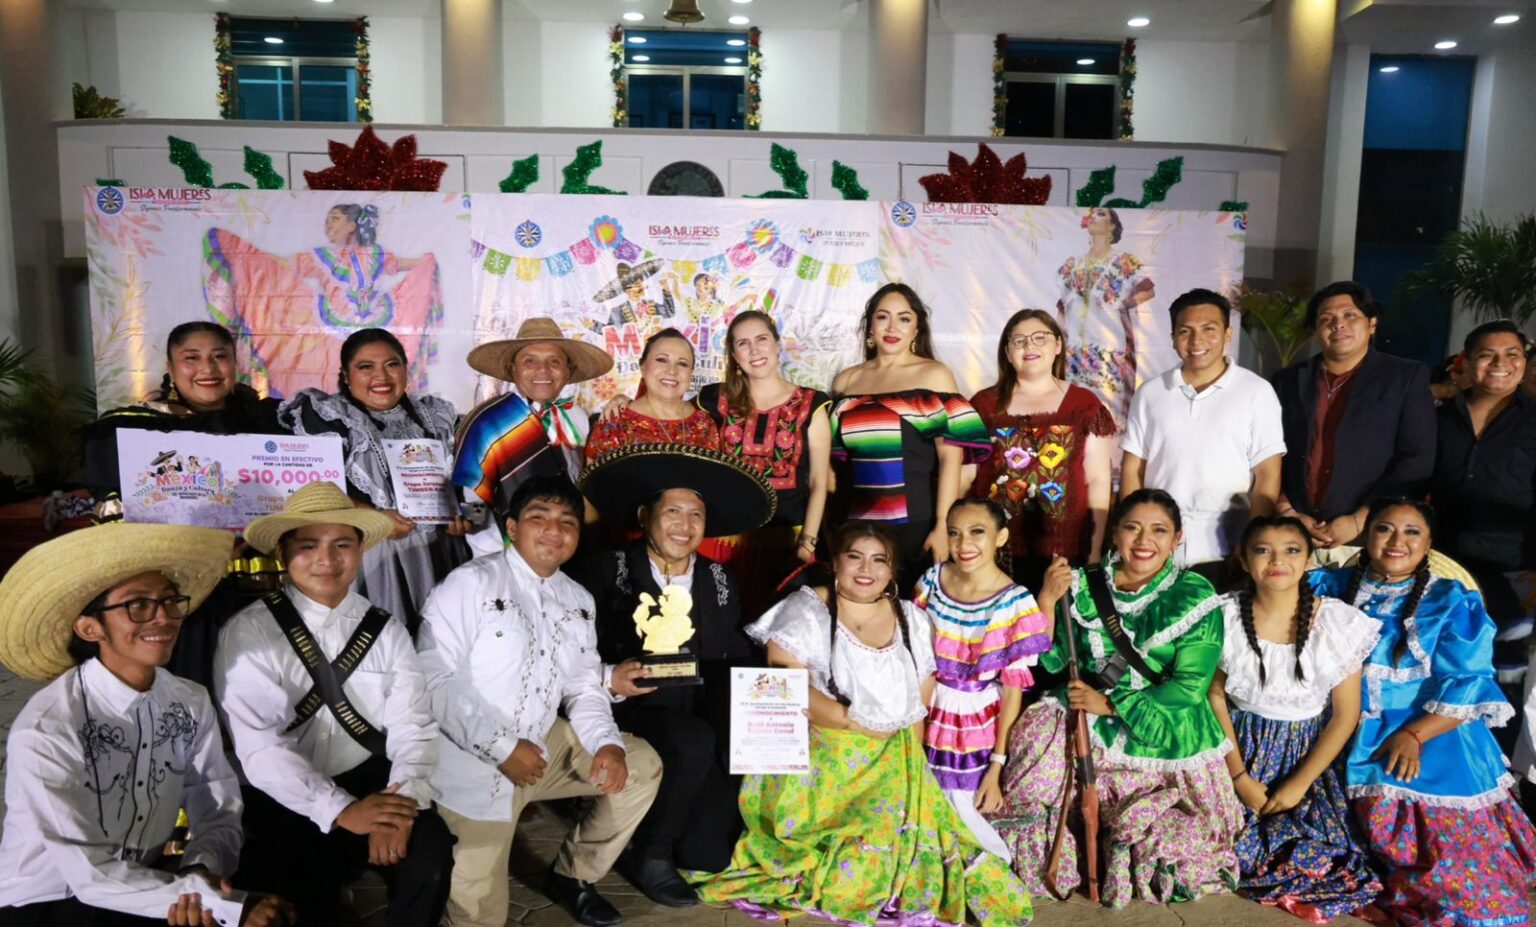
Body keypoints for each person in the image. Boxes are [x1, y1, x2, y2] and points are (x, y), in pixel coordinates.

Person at [692, 521, 1033, 925]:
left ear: (892, 571)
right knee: (850, 858)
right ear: (835, 562)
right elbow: (784, 680)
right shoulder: (806, 610)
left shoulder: (911, 618)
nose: (866, 569)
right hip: (824, 754)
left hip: (892, 754)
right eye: (855, 557)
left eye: (879, 560)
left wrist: (914, 766)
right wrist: (848, 722)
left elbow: (922, 695)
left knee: (901, 850)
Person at [0, 522, 293, 927]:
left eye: (170, 602)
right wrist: (228, 907)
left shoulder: (189, 700)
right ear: (90, 627)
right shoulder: (49, 728)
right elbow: (89, 874)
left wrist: (202, 871)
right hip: (48, 901)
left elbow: (216, 801)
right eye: (138, 605)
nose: (164, 618)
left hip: (149, 886)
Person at [414, 475, 663, 927]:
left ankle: (573, 874)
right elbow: (433, 681)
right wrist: (502, 748)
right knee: (479, 918)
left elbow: (584, 687)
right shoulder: (469, 584)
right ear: (511, 528)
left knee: (639, 765)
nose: (554, 530)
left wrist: (606, 744)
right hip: (472, 764)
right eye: (538, 517)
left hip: (542, 746)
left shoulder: (577, 599)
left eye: (567, 521)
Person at [213, 483, 453, 927]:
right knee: (296, 906)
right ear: (284, 555)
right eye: (309, 545)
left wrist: (401, 806)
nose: (327, 559)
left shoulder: (387, 630)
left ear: (360, 551)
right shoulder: (249, 633)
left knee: (430, 852)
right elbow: (261, 750)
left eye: (342, 544)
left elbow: (413, 727)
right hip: (281, 800)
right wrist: (341, 810)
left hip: (370, 782)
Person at [989, 488, 1242, 906]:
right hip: (1084, 702)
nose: (1144, 541)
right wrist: (1048, 600)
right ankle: (1057, 858)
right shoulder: (1084, 585)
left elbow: (1189, 687)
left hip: (1162, 722)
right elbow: (1048, 660)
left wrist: (1110, 704)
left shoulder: (1194, 595)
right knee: (1039, 738)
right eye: (1132, 528)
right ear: (1115, 536)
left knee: (1162, 837)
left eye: (1159, 530)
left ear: (1177, 538)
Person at [1310, 498, 1536, 927]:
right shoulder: (1327, 586)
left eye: (1412, 531)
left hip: (1432, 726)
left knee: (1456, 864)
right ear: (1366, 534)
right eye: (1384, 529)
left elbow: (1469, 682)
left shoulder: (1451, 600)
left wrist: (1414, 735)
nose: (1397, 541)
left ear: (1430, 542)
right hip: (1340, 723)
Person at [574, 443, 776, 880]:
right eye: (672, 512)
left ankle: (688, 832)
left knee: (708, 856)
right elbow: (572, 653)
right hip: (630, 706)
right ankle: (651, 853)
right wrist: (611, 678)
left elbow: (733, 650)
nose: (684, 526)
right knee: (692, 739)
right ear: (646, 517)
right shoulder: (607, 569)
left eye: (696, 516)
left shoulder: (719, 578)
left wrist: (764, 699)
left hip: (697, 706)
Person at [82, 321, 282, 686]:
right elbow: (115, 515)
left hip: (256, 579)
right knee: (187, 683)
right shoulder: (133, 430)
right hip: (177, 586)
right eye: (192, 358)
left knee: (261, 681)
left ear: (234, 364)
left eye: (219, 357)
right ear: (172, 368)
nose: (207, 369)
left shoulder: (269, 425)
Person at [1207, 516, 1382, 921]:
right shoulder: (1225, 616)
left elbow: (1345, 714)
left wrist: (1300, 783)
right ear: (1244, 558)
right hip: (1240, 746)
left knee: (1320, 853)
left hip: (1309, 757)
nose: (1277, 560)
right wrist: (1239, 777)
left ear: (1307, 559)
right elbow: (1215, 697)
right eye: (1262, 550)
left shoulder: (1337, 623)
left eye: (1291, 550)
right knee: (1225, 847)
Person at [279, 328, 471, 636]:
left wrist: (460, 514)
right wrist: (370, 518)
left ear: (406, 369)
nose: (381, 376)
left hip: (440, 551)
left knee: (441, 645)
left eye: (391, 364)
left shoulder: (436, 416)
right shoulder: (328, 416)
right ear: (345, 374)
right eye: (366, 367)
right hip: (370, 557)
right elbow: (310, 492)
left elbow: (464, 484)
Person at [913, 498, 1061, 861]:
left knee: (963, 812)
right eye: (954, 534)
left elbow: (1013, 693)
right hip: (925, 708)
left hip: (976, 723)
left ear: (1000, 537)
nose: (964, 545)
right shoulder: (931, 580)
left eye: (977, 532)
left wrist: (996, 766)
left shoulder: (1013, 601)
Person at [831, 283, 991, 591]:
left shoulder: (935, 375)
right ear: (869, 327)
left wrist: (943, 526)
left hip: (917, 526)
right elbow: (836, 468)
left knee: (913, 617)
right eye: (883, 317)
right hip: (856, 528)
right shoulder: (847, 381)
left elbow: (950, 458)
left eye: (904, 318)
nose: (892, 327)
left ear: (916, 330)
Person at [1121, 289, 1285, 579]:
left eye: (1209, 329)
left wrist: (1251, 541)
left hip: (1226, 544)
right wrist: (1133, 534)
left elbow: (1267, 476)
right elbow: (1133, 469)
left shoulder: (1256, 392)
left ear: (1227, 333)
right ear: (1173, 338)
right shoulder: (1150, 393)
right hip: (1157, 547)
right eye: (1185, 331)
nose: (1197, 342)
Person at [203, 202, 443, 399]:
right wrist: (249, 257)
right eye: (327, 219)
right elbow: (285, 265)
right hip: (330, 326)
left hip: (377, 319)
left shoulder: (376, 253)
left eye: (335, 219)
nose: (329, 224)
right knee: (327, 372)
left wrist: (424, 262)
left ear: (352, 225)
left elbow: (400, 264)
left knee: (381, 365)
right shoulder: (321, 256)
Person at [1271, 282, 1434, 549]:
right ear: (1315, 330)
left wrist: (1361, 519)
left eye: (1350, 315)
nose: (1338, 325)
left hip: (1370, 535)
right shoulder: (1286, 381)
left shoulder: (1404, 378)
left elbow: (1416, 458)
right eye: (1327, 319)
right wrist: (1287, 511)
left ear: (1371, 323)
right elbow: (1267, 453)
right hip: (1295, 531)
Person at [967, 309, 1115, 592]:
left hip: (1065, 550)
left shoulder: (1085, 404)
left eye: (1039, 338)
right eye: (1019, 340)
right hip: (993, 551)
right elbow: (964, 478)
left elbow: (1097, 480)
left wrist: (1095, 550)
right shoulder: (982, 405)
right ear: (1007, 352)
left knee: (1057, 632)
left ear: (1058, 345)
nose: (1029, 346)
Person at [696, 310, 832, 610]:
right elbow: (665, 412)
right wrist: (623, 403)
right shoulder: (713, 400)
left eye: (761, 339)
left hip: (788, 543)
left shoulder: (811, 404)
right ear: (733, 354)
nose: (754, 350)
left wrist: (807, 544)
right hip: (722, 541)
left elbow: (819, 482)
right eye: (743, 343)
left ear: (777, 345)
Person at [455, 316, 615, 556]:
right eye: (530, 361)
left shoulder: (578, 419)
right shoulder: (489, 419)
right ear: (513, 368)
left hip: (564, 550)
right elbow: (472, 489)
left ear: (568, 370)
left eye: (555, 361)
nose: (543, 370)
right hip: (499, 550)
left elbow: (581, 481)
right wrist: (470, 523)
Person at [1430, 320, 1536, 681]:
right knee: (1452, 666)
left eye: (1512, 355)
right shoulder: (1438, 417)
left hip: (1515, 565)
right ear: (1466, 360)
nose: (1500, 363)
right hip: (1444, 560)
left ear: (1524, 360)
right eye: (1487, 355)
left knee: (1508, 675)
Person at [1056, 206, 1156, 422]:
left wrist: (1123, 303)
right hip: (1075, 348)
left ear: (1112, 226)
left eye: (1101, 214)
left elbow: (1148, 289)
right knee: (1075, 409)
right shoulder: (1073, 264)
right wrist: (1060, 341)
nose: (1093, 217)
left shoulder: (1124, 261)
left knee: (1107, 410)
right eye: (1091, 214)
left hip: (1109, 345)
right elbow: (1062, 305)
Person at [585, 328, 720, 459]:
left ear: (691, 373)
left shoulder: (705, 423)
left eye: (682, 364)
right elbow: (594, 480)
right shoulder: (616, 422)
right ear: (643, 367)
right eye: (662, 360)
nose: (672, 371)